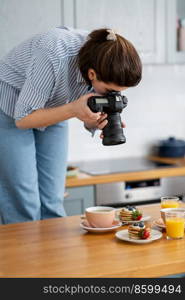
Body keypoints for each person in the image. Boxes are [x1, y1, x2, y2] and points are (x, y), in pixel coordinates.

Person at [0, 27, 142, 224]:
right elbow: (23, 118)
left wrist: (93, 119)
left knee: (53, 197)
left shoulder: (102, 56)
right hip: (9, 105)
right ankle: (26, 253)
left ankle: (53, 254)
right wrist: (74, 110)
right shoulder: (53, 53)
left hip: (54, 104)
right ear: (92, 73)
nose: (112, 96)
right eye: (109, 91)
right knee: (25, 201)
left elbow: (79, 103)